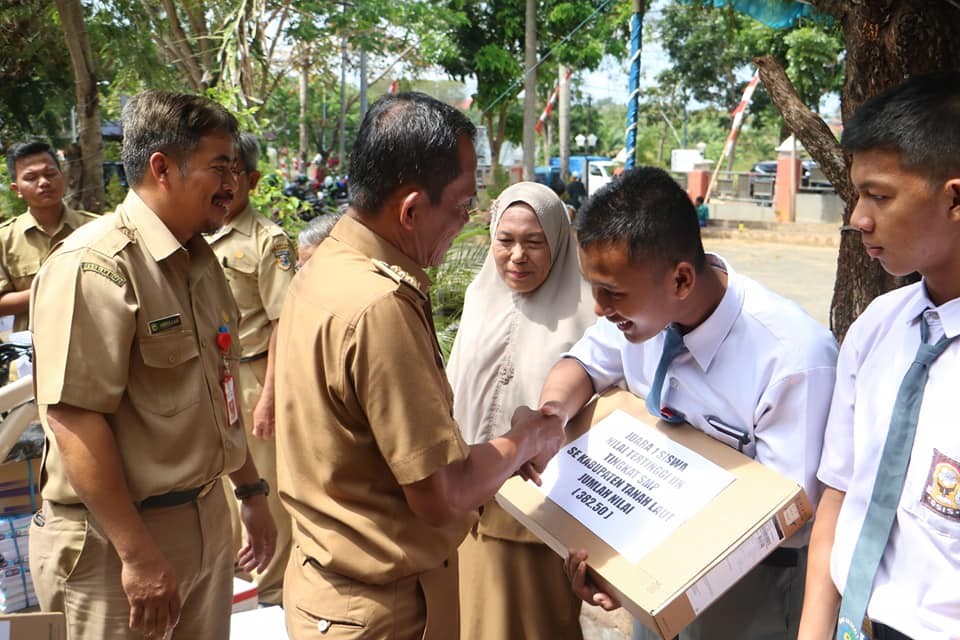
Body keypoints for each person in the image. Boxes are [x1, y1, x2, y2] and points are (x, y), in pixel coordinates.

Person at [275, 91, 565, 640]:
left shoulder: (329, 263)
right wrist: (525, 440)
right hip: (379, 610)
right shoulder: (381, 306)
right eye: (460, 206)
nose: (466, 222)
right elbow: (441, 494)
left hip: (326, 588)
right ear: (410, 209)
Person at [534, 167, 838, 640]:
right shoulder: (636, 318)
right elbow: (583, 366)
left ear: (679, 280)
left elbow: (787, 517)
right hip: (656, 566)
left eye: (612, 293)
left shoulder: (792, 357)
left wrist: (646, 575)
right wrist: (550, 419)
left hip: (749, 594)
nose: (598, 308)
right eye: (593, 287)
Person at [28, 90, 277, 640]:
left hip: (205, 520)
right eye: (219, 167)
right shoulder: (95, 266)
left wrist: (251, 492)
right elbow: (74, 419)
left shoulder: (199, 260)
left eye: (235, 167)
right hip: (115, 543)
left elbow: (218, 389)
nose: (234, 182)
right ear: (162, 168)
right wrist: (137, 555)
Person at [799, 73, 960, 640]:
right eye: (856, 195)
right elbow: (840, 493)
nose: (859, 218)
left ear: (955, 197)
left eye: (880, 195)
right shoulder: (878, 327)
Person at [448, 181, 596, 640]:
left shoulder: (589, 313)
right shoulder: (480, 297)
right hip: (466, 505)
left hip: (542, 519)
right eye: (505, 240)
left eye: (535, 243)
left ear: (558, 240)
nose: (517, 256)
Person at [205, 132, 294, 606]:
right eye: (213, 170)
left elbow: (284, 322)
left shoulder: (269, 241)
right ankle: (235, 580)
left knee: (266, 486)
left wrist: (271, 397)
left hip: (255, 376)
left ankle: (274, 587)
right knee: (220, 483)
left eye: (232, 171)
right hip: (211, 379)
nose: (222, 183)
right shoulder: (196, 233)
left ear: (252, 179)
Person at [1, 141, 97, 331]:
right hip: (32, 353)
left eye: (50, 174)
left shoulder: (97, 228)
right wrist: (53, 289)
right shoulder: (4, 239)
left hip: (93, 345)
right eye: (31, 177)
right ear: (16, 189)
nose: (44, 182)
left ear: (63, 176)